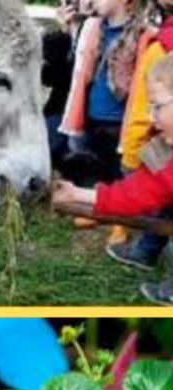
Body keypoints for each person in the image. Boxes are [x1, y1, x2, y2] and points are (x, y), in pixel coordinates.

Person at [53, 52, 173, 305]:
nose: (151, 117)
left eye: (158, 107)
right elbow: (135, 192)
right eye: (149, 107)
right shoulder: (164, 148)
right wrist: (76, 194)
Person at [60, 0, 144, 234]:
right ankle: (99, 209)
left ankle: (122, 222)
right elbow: (78, 66)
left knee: (119, 173)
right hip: (92, 113)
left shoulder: (139, 33)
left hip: (119, 119)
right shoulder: (95, 28)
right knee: (98, 169)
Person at [108, 1, 173, 268]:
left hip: (154, 143)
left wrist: (132, 153)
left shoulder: (161, 46)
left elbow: (141, 109)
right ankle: (145, 251)